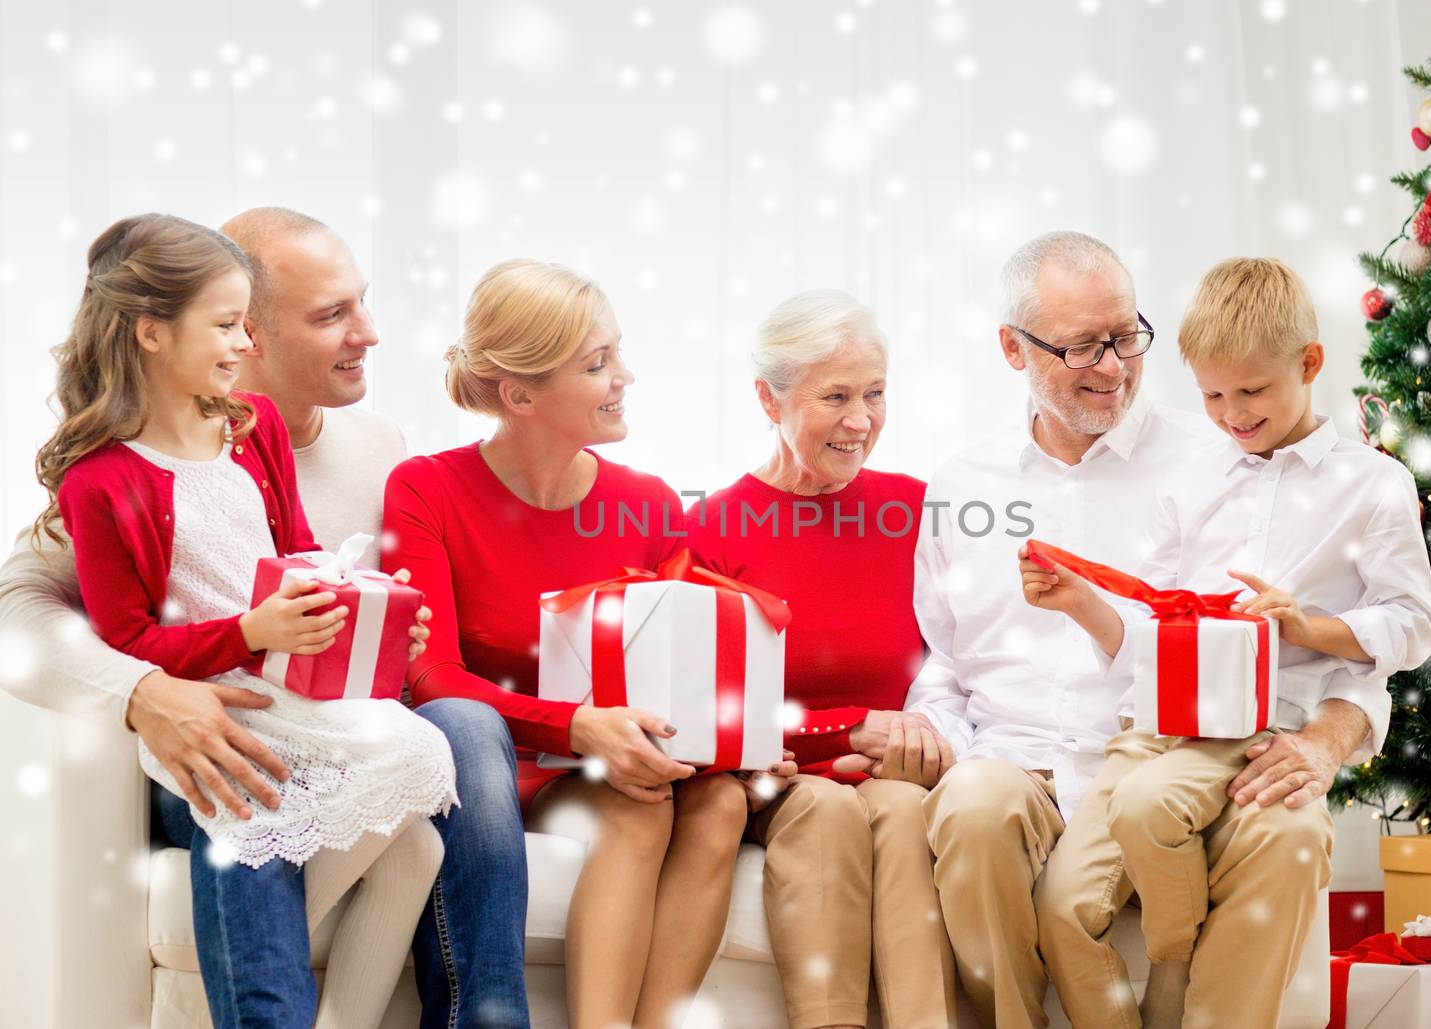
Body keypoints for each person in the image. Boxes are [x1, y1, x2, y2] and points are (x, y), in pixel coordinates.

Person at [0, 207, 533, 1029]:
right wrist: (143, 691)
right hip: (218, 717)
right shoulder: (115, 473)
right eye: (331, 315)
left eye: (363, 302)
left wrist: (384, 629)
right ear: (250, 327)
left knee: (455, 739)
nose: (371, 333)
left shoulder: (357, 441)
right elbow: (28, 611)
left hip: (317, 706)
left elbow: (321, 570)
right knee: (245, 801)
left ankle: (485, 1019)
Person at [908, 231, 1391, 1028]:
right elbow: (943, 661)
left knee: (1292, 832)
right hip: (1018, 758)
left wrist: (1327, 740)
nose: (1113, 366)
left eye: (1127, 336)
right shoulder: (962, 486)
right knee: (971, 808)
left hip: (1187, 753)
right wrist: (930, 725)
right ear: (1011, 348)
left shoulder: (1227, 447)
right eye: (1081, 347)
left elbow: (1331, 633)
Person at [1020, 257, 1431, 1028]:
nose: (1231, 413)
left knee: (1275, 843)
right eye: (1213, 394)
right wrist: (1083, 603)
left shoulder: (1372, 484)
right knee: (1061, 905)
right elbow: (1146, 640)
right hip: (1160, 731)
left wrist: (1305, 625)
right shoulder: (1189, 482)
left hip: (1269, 734)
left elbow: (1415, 623)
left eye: (1252, 392)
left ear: (1311, 363)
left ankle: (1194, 993)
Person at [383, 258, 780, 1029]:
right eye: (598, 365)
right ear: (520, 394)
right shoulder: (425, 488)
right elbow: (432, 678)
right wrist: (574, 724)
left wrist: (735, 735)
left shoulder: (648, 502)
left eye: (617, 353)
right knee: (637, 803)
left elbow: (685, 664)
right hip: (496, 772)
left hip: (603, 761)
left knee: (716, 797)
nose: (623, 377)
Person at [688, 289, 959, 1029]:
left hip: (894, 772)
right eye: (835, 396)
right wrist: (844, 731)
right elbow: (704, 706)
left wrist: (923, 736)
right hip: (779, 780)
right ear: (766, 398)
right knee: (827, 806)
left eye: (875, 393)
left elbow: (964, 659)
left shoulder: (915, 510)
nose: (862, 419)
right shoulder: (711, 528)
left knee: (904, 812)